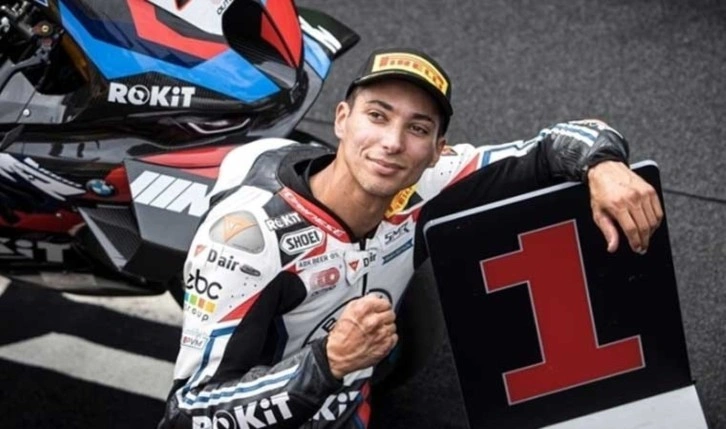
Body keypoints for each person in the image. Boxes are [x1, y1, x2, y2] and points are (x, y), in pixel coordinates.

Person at [158, 47, 662, 429]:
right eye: (377, 116)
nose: (392, 143)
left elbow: (559, 141)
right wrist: (327, 364)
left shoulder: (427, 183)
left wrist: (604, 164)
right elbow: (187, 414)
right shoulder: (245, 243)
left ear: (438, 149)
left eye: (417, 129)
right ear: (342, 119)